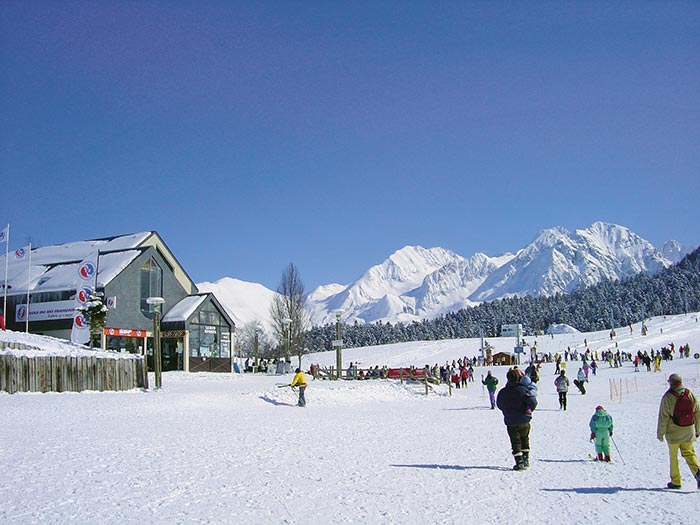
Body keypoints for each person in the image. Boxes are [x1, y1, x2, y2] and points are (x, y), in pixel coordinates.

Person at [656, 373, 700, 489]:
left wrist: (660, 433)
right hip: (688, 430)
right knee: (689, 453)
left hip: (673, 432)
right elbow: (697, 411)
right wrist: (697, 429)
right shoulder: (689, 393)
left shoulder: (668, 396)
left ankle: (676, 481)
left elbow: (663, 417)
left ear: (671, 383)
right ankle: (698, 472)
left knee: (674, 456)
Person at [496, 368, 538, 471]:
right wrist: (527, 410)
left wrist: (507, 410)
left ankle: (519, 462)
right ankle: (525, 459)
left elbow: (499, 404)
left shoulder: (503, 392)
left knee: (515, 440)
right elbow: (533, 402)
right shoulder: (523, 390)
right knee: (524, 438)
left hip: (511, 420)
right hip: (524, 418)